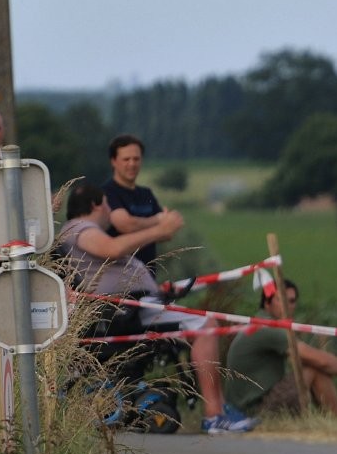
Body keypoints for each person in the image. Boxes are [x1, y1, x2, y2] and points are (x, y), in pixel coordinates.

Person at [56, 183, 257, 434]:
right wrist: (159, 230)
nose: (110, 211)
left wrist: (156, 291)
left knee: (203, 325)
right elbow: (113, 249)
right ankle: (215, 414)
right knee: (206, 325)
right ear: (97, 205)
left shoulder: (78, 231)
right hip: (123, 311)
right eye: (108, 205)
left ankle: (219, 407)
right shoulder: (81, 228)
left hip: (133, 306)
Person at [226, 279, 337, 417]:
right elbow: (322, 361)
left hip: (247, 406)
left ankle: (334, 422)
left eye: (291, 301)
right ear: (267, 303)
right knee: (314, 369)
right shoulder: (269, 328)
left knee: (311, 365)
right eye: (281, 300)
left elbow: (307, 358)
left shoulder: (259, 323)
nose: (287, 306)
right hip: (253, 411)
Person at [102, 134, 171, 275]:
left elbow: (168, 232)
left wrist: (142, 225)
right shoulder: (107, 193)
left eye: (136, 159)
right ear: (113, 161)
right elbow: (125, 225)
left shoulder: (147, 193)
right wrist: (157, 220)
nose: (132, 164)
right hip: (119, 282)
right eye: (126, 159)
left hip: (148, 279)